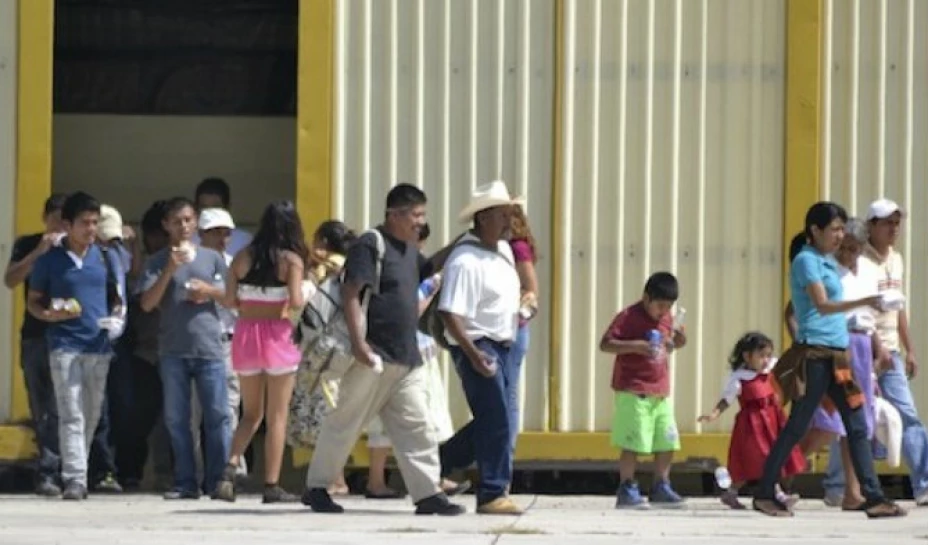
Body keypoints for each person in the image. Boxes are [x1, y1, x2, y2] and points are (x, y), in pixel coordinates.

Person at [301, 183, 465, 516]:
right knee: (345, 422)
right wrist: (360, 345)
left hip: (405, 358)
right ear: (395, 214)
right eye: (416, 215)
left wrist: (461, 243)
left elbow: (426, 268)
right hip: (373, 356)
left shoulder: (407, 249)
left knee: (417, 426)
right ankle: (317, 488)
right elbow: (351, 293)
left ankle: (427, 494)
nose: (421, 222)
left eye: (423, 215)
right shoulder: (370, 245)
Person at [755, 201, 904, 518]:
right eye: (835, 229)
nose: (839, 236)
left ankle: (873, 497)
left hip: (839, 360)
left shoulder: (825, 261)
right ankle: (764, 491)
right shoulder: (806, 261)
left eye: (841, 229)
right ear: (815, 230)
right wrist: (868, 301)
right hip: (816, 358)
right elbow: (822, 306)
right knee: (797, 426)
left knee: (857, 423)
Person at [26, 191, 127, 501]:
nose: (91, 229)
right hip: (64, 345)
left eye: (95, 222)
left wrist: (116, 321)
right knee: (71, 413)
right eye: (85, 223)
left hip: (99, 346)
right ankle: (75, 479)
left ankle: (76, 469)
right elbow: (33, 302)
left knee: (91, 414)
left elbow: (117, 300)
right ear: (67, 225)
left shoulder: (106, 258)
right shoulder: (50, 261)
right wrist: (48, 315)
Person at [437, 182, 525, 515]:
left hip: (502, 344)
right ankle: (492, 493)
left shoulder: (502, 250)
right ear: (483, 218)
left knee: (494, 419)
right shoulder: (466, 260)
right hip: (479, 345)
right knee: (497, 419)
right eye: (503, 215)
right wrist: (474, 355)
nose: (509, 222)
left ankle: (439, 463)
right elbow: (449, 312)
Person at [213, 201, 307, 503]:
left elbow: (228, 300)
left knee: (250, 414)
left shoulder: (242, 257)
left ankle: (228, 471)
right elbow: (294, 301)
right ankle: (271, 485)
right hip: (278, 336)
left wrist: (248, 303)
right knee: (277, 417)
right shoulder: (291, 261)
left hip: (246, 335)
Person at [139, 196, 230, 500]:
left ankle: (218, 482)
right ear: (166, 226)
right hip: (173, 350)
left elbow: (233, 298)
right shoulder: (156, 261)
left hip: (210, 348)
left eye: (189, 220)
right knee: (177, 419)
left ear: (196, 222)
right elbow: (148, 303)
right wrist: (169, 270)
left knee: (217, 416)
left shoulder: (213, 258)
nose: (184, 226)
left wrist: (209, 291)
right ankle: (185, 482)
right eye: (177, 221)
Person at [599, 271, 687, 509]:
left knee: (666, 440)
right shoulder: (629, 317)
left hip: (659, 391)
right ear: (646, 298)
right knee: (633, 441)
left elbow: (670, 344)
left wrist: (678, 341)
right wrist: (635, 346)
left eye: (668, 307)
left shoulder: (667, 319)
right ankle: (627, 487)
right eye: (659, 305)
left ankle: (661, 485)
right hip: (633, 389)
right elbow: (605, 344)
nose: (663, 311)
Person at [860, 198, 928, 506]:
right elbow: (862, 310)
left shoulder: (896, 259)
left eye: (897, 223)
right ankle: (838, 484)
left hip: (892, 350)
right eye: (887, 222)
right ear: (871, 225)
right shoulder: (861, 261)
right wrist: (877, 349)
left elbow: (898, 308)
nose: (893, 229)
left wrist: (909, 348)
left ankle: (923, 483)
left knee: (908, 416)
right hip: (866, 349)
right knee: (855, 417)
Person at [698, 332, 805, 510]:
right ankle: (776, 493)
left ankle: (732, 493)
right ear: (747, 356)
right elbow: (726, 399)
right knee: (761, 459)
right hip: (753, 425)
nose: (765, 360)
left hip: (772, 421)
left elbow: (787, 366)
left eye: (768, 355)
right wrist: (714, 414)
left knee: (775, 456)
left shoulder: (769, 371)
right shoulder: (739, 379)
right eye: (761, 356)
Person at [5, 193, 67, 496]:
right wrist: (39, 252)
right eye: (54, 218)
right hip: (35, 335)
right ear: (45, 218)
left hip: (69, 337)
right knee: (42, 407)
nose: (58, 225)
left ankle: (73, 470)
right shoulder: (28, 243)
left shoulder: (77, 248)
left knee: (66, 408)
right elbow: (11, 280)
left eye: (64, 220)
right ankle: (47, 471)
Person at [193, 208, 247, 482]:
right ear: (201, 234)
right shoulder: (188, 261)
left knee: (227, 409)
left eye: (227, 232)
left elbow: (240, 303)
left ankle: (228, 470)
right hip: (195, 343)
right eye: (216, 232)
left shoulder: (235, 264)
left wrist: (211, 291)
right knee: (193, 412)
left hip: (228, 342)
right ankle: (194, 472)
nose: (223, 238)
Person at [507, 204, 539, 452]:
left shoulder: (517, 247)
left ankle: (506, 454)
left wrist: (516, 314)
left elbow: (531, 290)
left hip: (512, 328)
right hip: (506, 328)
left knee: (508, 396)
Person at [192, 177, 252, 256]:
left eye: (215, 207)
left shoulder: (244, 241)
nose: (210, 213)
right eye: (204, 208)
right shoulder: (189, 240)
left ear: (227, 208)